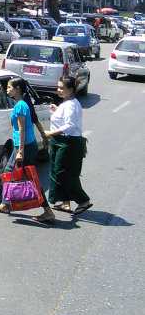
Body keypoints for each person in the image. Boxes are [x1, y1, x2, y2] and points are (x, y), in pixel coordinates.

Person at [0, 78, 55, 222]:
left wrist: (20, 151)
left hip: (24, 146)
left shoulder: (20, 106)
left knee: (29, 178)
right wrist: (43, 137)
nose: (7, 90)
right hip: (27, 145)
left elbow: (22, 129)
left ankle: (48, 211)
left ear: (17, 88)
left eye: (9, 87)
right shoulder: (24, 103)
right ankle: (5, 204)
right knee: (9, 172)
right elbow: (34, 122)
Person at [44, 76, 93, 216]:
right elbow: (65, 119)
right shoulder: (67, 103)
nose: (58, 90)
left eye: (62, 88)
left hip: (68, 142)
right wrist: (57, 109)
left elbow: (70, 126)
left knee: (63, 172)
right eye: (58, 87)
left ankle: (83, 200)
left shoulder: (71, 104)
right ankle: (65, 203)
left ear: (71, 90)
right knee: (54, 170)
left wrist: (50, 133)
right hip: (58, 141)